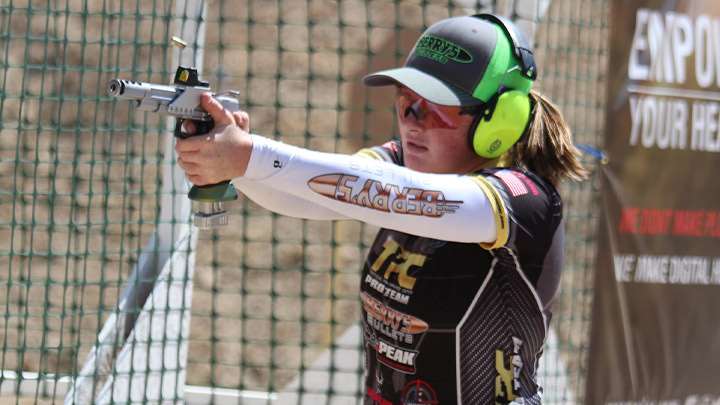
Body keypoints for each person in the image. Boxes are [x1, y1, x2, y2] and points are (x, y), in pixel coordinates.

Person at [176, 13, 586, 405]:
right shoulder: (400, 165)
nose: (412, 121)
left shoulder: (524, 199)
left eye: (436, 108)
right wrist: (237, 166)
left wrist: (252, 157)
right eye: (406, 101)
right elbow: (311, 195)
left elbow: (396, 195)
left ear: (499, 121)